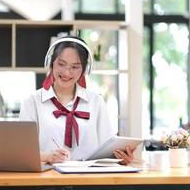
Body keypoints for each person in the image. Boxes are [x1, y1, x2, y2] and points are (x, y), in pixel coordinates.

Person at [19, 36, 135, 165]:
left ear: (84, 70)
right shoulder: (32, 102)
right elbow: (21, 152)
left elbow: (107, 149)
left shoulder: (96, 101)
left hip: (88, 181)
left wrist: (121, 159)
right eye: (61, 64)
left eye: (75, 67)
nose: (67, 73)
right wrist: (48, 156)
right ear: (51, 63)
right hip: (47, 179)